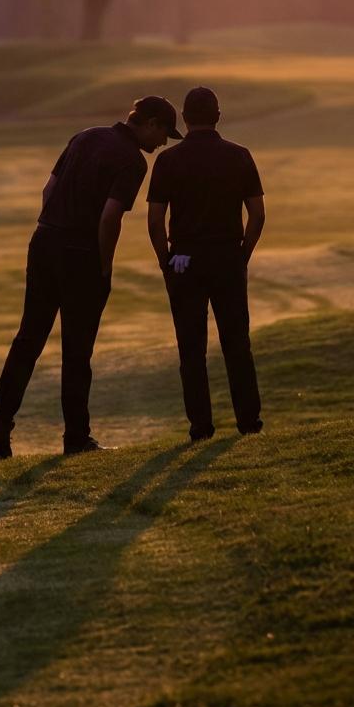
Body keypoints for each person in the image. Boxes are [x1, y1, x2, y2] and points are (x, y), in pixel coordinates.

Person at [0, 96, 182, 460]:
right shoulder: (132, 161)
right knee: (77, 349)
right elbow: (110, 218)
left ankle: (0, 426)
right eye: (164, 134)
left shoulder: (84, 136)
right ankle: (76, 436)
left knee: (29, 337)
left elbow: (48, 191)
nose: (163, 144)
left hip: (44, 241)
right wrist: (103, 267)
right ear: (150, 123)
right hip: (82, 254)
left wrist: (55, 228)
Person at [147, 86, 265, 442]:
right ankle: (248, 422)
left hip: (184, 260)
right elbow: (257, 214)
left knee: (191, 347)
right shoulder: (240, 156)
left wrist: (165, 260)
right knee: (236, 343)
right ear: (218, 116)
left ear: (184, 118)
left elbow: (155, 220)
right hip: (227, 256)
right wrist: (242, 252)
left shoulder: (168, 161)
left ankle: (201, 426)